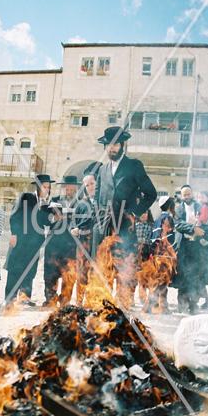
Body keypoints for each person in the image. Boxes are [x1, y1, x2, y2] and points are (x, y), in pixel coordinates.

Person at [94, 126, 157, 308]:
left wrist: (134, 213)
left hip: (126, 226)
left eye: (115, 145)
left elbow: (150, 194)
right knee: (105, 266)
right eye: (108, 145)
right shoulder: (102, 169)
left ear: (122, 145)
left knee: (125, 267)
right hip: (105, 227)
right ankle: (105, 304)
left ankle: (124, 304)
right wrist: (100, 219)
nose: (111, 148)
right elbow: (98, 198)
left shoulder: (134, 166)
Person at [4, 174, 53, 306]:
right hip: (21, 239)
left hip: (35, 242)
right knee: (15, 268)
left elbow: (44, 222)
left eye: (48, 187)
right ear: (38, 186)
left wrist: (52, 215)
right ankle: (10, 298)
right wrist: (14, 233)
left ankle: (25, 297)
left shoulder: (45, 204)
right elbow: (15, 214)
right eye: (44, 187)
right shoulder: (26, 196)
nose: (46, 190)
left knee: (30, 269)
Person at [44, 175, 81, 305]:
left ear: (76, 188)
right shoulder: (54, 200)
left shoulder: (80, 203)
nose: (69, 190)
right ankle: (51, 299)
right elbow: (45, 219)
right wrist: (54, 218)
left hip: (71, 244)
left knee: (69, 274)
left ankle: (65, 300)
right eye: (67, 188)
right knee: (50, 273)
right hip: (53, 243)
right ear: (64, 187)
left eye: (72, 188)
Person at [71, 168, 100, 304]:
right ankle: (79, 301)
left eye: (92, 183)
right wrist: (73, 229)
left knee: (96, 272)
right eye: (87, 185)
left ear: (97, 183)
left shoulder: (103, 201)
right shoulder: (81, 204)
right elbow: (73, 221)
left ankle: (91, 301)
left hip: (99, 243)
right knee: (82, 272)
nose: (89, 187)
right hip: (83, 243)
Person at [175, 184, 204, 314]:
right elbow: (178, 224)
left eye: (189, 193)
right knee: (183, 275)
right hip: (183, 246)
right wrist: (192, 228)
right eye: (184, 194)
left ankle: (193, 304)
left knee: (195, 275)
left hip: (196, 246)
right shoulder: (178, 208)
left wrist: (204, 235)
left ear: (192, 194)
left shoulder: (200, 207)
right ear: (181, 196)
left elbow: (207, 223)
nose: (187, 196)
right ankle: (182, 304)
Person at [148, 196, 176, 314]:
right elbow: (167, 239)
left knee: (158, 280)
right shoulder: (168, 218)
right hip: (164, 255)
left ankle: (154, 306)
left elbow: (153, 238)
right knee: (162, 281)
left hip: (156, 255)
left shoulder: (157, 219)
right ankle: (161, 307)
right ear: (170, 206)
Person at [196, 190, 208, 309]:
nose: (200, 198)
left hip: (202, 239)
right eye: (199, 196)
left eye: (202, 196)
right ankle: (205, 300)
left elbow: (201, 220)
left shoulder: (205, 207)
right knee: (201, 273)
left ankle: (204, 300)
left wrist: (195, 217)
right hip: (207, 240)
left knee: (199, 272)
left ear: (207, 197)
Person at [135, 209, 153, 310]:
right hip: (137, 252)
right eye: (141, 212)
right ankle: (141, 296)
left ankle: (148, 298)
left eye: (145, 212)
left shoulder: (151, 226)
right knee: (139, 275)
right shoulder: (135, 225)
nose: (143, 215)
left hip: (147, 252)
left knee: (147, 275)